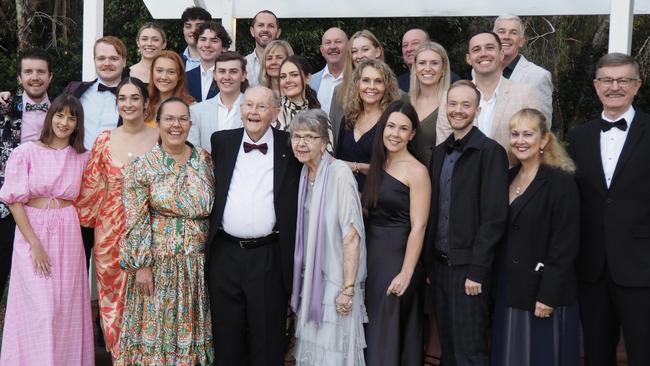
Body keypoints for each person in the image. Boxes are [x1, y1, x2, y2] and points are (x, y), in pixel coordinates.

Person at [116, 97, 215, 365]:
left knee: (191, 336)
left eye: (182, 119)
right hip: (158, 267)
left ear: (190, 124)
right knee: (156, 335)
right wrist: (141, 265)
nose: (176, 125)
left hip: (196, 269)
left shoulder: (206, 161)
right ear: (157, 123)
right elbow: (135, 218)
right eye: (169, 118)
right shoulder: (143, 165)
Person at [207, 86, 301, 365]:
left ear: (275, 112)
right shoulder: (221, 142)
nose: (254, 112)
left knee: (268, 336)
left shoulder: (290, 145)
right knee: (226, 335)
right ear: (241, 110)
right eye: (248, 105)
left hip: (269, 255)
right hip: (225, 254)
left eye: (261, 107)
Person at [568, 52, 650, 366]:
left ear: (637, 85)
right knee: (597, 354)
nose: (614, 86)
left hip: (641, 268)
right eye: (607, 80)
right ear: (596, 85)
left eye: (623, 80)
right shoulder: (578, 137)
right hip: (592, 269)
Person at [0, 94, 94, 365]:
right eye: (60, 115)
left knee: (65, 308)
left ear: (78, 124)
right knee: (41, 310)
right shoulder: (25, 152)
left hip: (68, 231)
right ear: (50, 117)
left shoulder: (82, 157)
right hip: (33, 229)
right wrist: (35, 244)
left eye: (72, 117)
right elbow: (15, 202)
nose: (65, 122)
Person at [424, 80, 509, 366]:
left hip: (469, 270)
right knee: (448, 346)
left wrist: (478, 270)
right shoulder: (438, 153)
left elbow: (494, 218)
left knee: (470, 350)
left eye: (465, 105)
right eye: (453, 104)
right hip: (439, 267)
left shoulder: (491, 152)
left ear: (477, 109)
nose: (458, 110)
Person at [76, 77, 159, 359]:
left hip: (153, 233)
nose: (128, 104)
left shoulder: (161, 137)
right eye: (122, 98)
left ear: (146, 103)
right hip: (110, 234)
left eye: (135, 98)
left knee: (151, 304)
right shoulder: (103, 140)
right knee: (113, 305)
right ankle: (119, 359)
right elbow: (90, 190)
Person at [491, 108, 580, 366]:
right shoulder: (507, 178)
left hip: (544, 292)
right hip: (510, 288)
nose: (520, 140)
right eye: (515, 134)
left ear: (544, 140)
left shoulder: (560, 182)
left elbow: (565, 244)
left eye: (528, 134)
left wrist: (548, 295)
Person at [288, 109, 367, 366]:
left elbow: (352, 235)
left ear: (325, 142)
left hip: (335, 281)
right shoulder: (303, 173)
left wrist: (347, 289)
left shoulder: (339, 173)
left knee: (332, 353)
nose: (301, 143)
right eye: (297, 136)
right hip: (312, 278)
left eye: (310, 137)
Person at [362, 100, 431, 365]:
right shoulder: (381, 164)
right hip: (372, 256)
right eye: (390, 126)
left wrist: (406, 272)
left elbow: (419, 225)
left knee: (387, 332)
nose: (395, 133)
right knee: (373, 329)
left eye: (403, 129)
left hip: (398, 258)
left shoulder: (417, 171)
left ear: (412, 134)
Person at [0, 48, 52, 298]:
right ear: (19, 78)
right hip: (7, 205)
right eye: (28, 72)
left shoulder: (62, 112)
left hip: (45, 210)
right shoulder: (4, 108)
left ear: (50, 77)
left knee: (41, 279)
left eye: (41, 71)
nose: (35, 77)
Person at [437, 31, 540, 150]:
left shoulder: (526, 94)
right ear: (469, 59)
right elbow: (443, 148)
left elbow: (534, 144)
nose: (483, 53)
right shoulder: (450, 96)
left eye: (489, 48)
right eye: (476, 50)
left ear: (501, 54)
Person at [337, 59, 400, 191]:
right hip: (344, 196)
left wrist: (356, 167)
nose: (371, 86)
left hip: (378, 199)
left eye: (378, 81)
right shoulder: (348, 119)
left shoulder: (392, 121)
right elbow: (338, 159)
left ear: (386, 86)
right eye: (366, 80)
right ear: (357, 84)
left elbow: (395, 167)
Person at [328, 30, 382, 151]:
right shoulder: (340, 91)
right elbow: (334, 134)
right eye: (354, 51)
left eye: (365, 49)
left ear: (377, 51)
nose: (360, 55)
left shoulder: (397, 94)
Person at [494, 15, 553, 122]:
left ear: (521, 41)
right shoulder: (479, 72)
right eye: (501, 31)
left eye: (513, 32)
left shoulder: (538, 76)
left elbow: (542, 126)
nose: (506, 36)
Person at [189, 51, 247, 152]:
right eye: (222, 71)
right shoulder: (196, 111)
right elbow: (193, 150)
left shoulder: (253, 109)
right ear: (215, 75)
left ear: (243, 75)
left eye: (233, 71)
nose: (227, 77)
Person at [408, 41, 451, 165]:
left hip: (438, 176)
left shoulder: (451, 104)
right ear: (415, 68)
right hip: (404, 176)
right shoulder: (404, 101)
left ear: (443, 68)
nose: (427, 68)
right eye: (422, 63)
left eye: (434, 63)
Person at [145, 51, 195, 126]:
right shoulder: (144, 104)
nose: (164, 77)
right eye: (159, 71)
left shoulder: (192, 108)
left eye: (171, 72)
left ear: (180, 76)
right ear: (152, 72)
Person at [275, 55, 322, 132]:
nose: (288, 80)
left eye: (294, 75)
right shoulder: (271, 113)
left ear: (308, 78)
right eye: (283, 77)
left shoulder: (320, 117)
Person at [186, 21, 230, 102]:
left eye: (214, 41)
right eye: (203, 39)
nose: (207, 45)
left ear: (223, 47)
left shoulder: (231, 78)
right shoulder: (185, 78)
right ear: (197, 44)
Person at [310, 27, 349, 115]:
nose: (333, 46)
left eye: (338, 42)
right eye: (328, 43)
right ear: (322, 50)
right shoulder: (311, 82)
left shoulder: (357, 79)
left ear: (348, 47)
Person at [246, 10, 282, 87]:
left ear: (278, 32)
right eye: (260, 25)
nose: (265, 29)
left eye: (271, 26)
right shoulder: (243, 64)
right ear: (252, 31)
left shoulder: (287, 64)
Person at [180, 6, 212, 71]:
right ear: (183, 29)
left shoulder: (220, 60)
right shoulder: (175, 60)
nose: (193, 30)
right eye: (188, 26)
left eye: (199, 26)